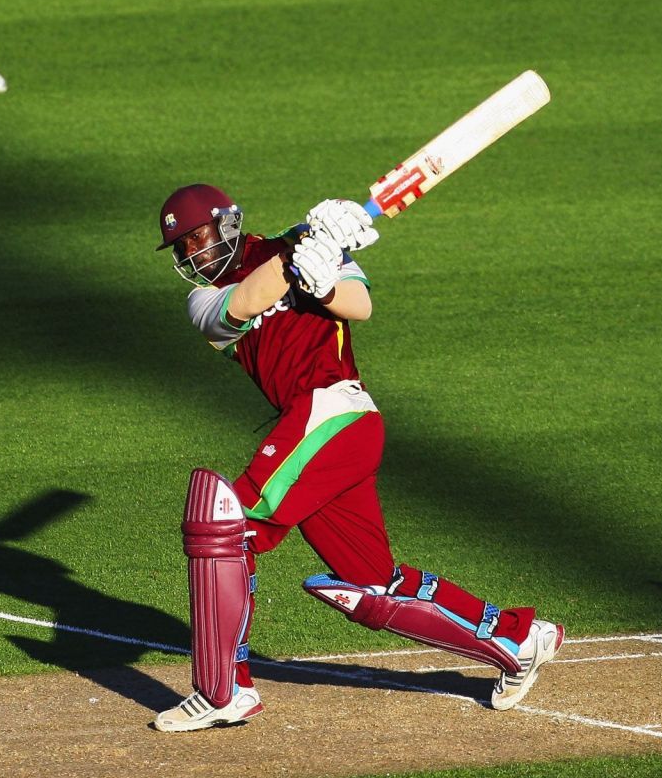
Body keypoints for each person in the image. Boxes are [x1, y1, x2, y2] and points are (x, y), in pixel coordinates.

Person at [150, 183, 563, 730]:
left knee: (230, 529)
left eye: (196, 238)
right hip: (325, 434)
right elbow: (244, 304)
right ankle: (518, 638)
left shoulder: (301, 248)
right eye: (181, 249)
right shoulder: (202, 301)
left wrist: (321, 276)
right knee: (372, 583)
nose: (191, 255)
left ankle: (226, 691)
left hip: (332, 410)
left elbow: (358, 306)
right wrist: (305, 244)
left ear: (227, 223)